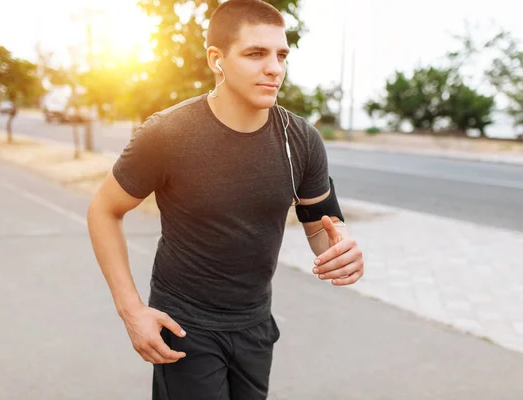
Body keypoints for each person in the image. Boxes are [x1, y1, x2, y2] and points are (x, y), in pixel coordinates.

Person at [86, 0, 365, 399]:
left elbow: (324, 227)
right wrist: (131, 310)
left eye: (281, 55)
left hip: (255, 326)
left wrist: (344, 252)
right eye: (256, 54)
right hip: (184, 326)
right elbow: (103, 210)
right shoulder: (169, 133)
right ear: (217, 59)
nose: (274, 68)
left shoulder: (300, 140)